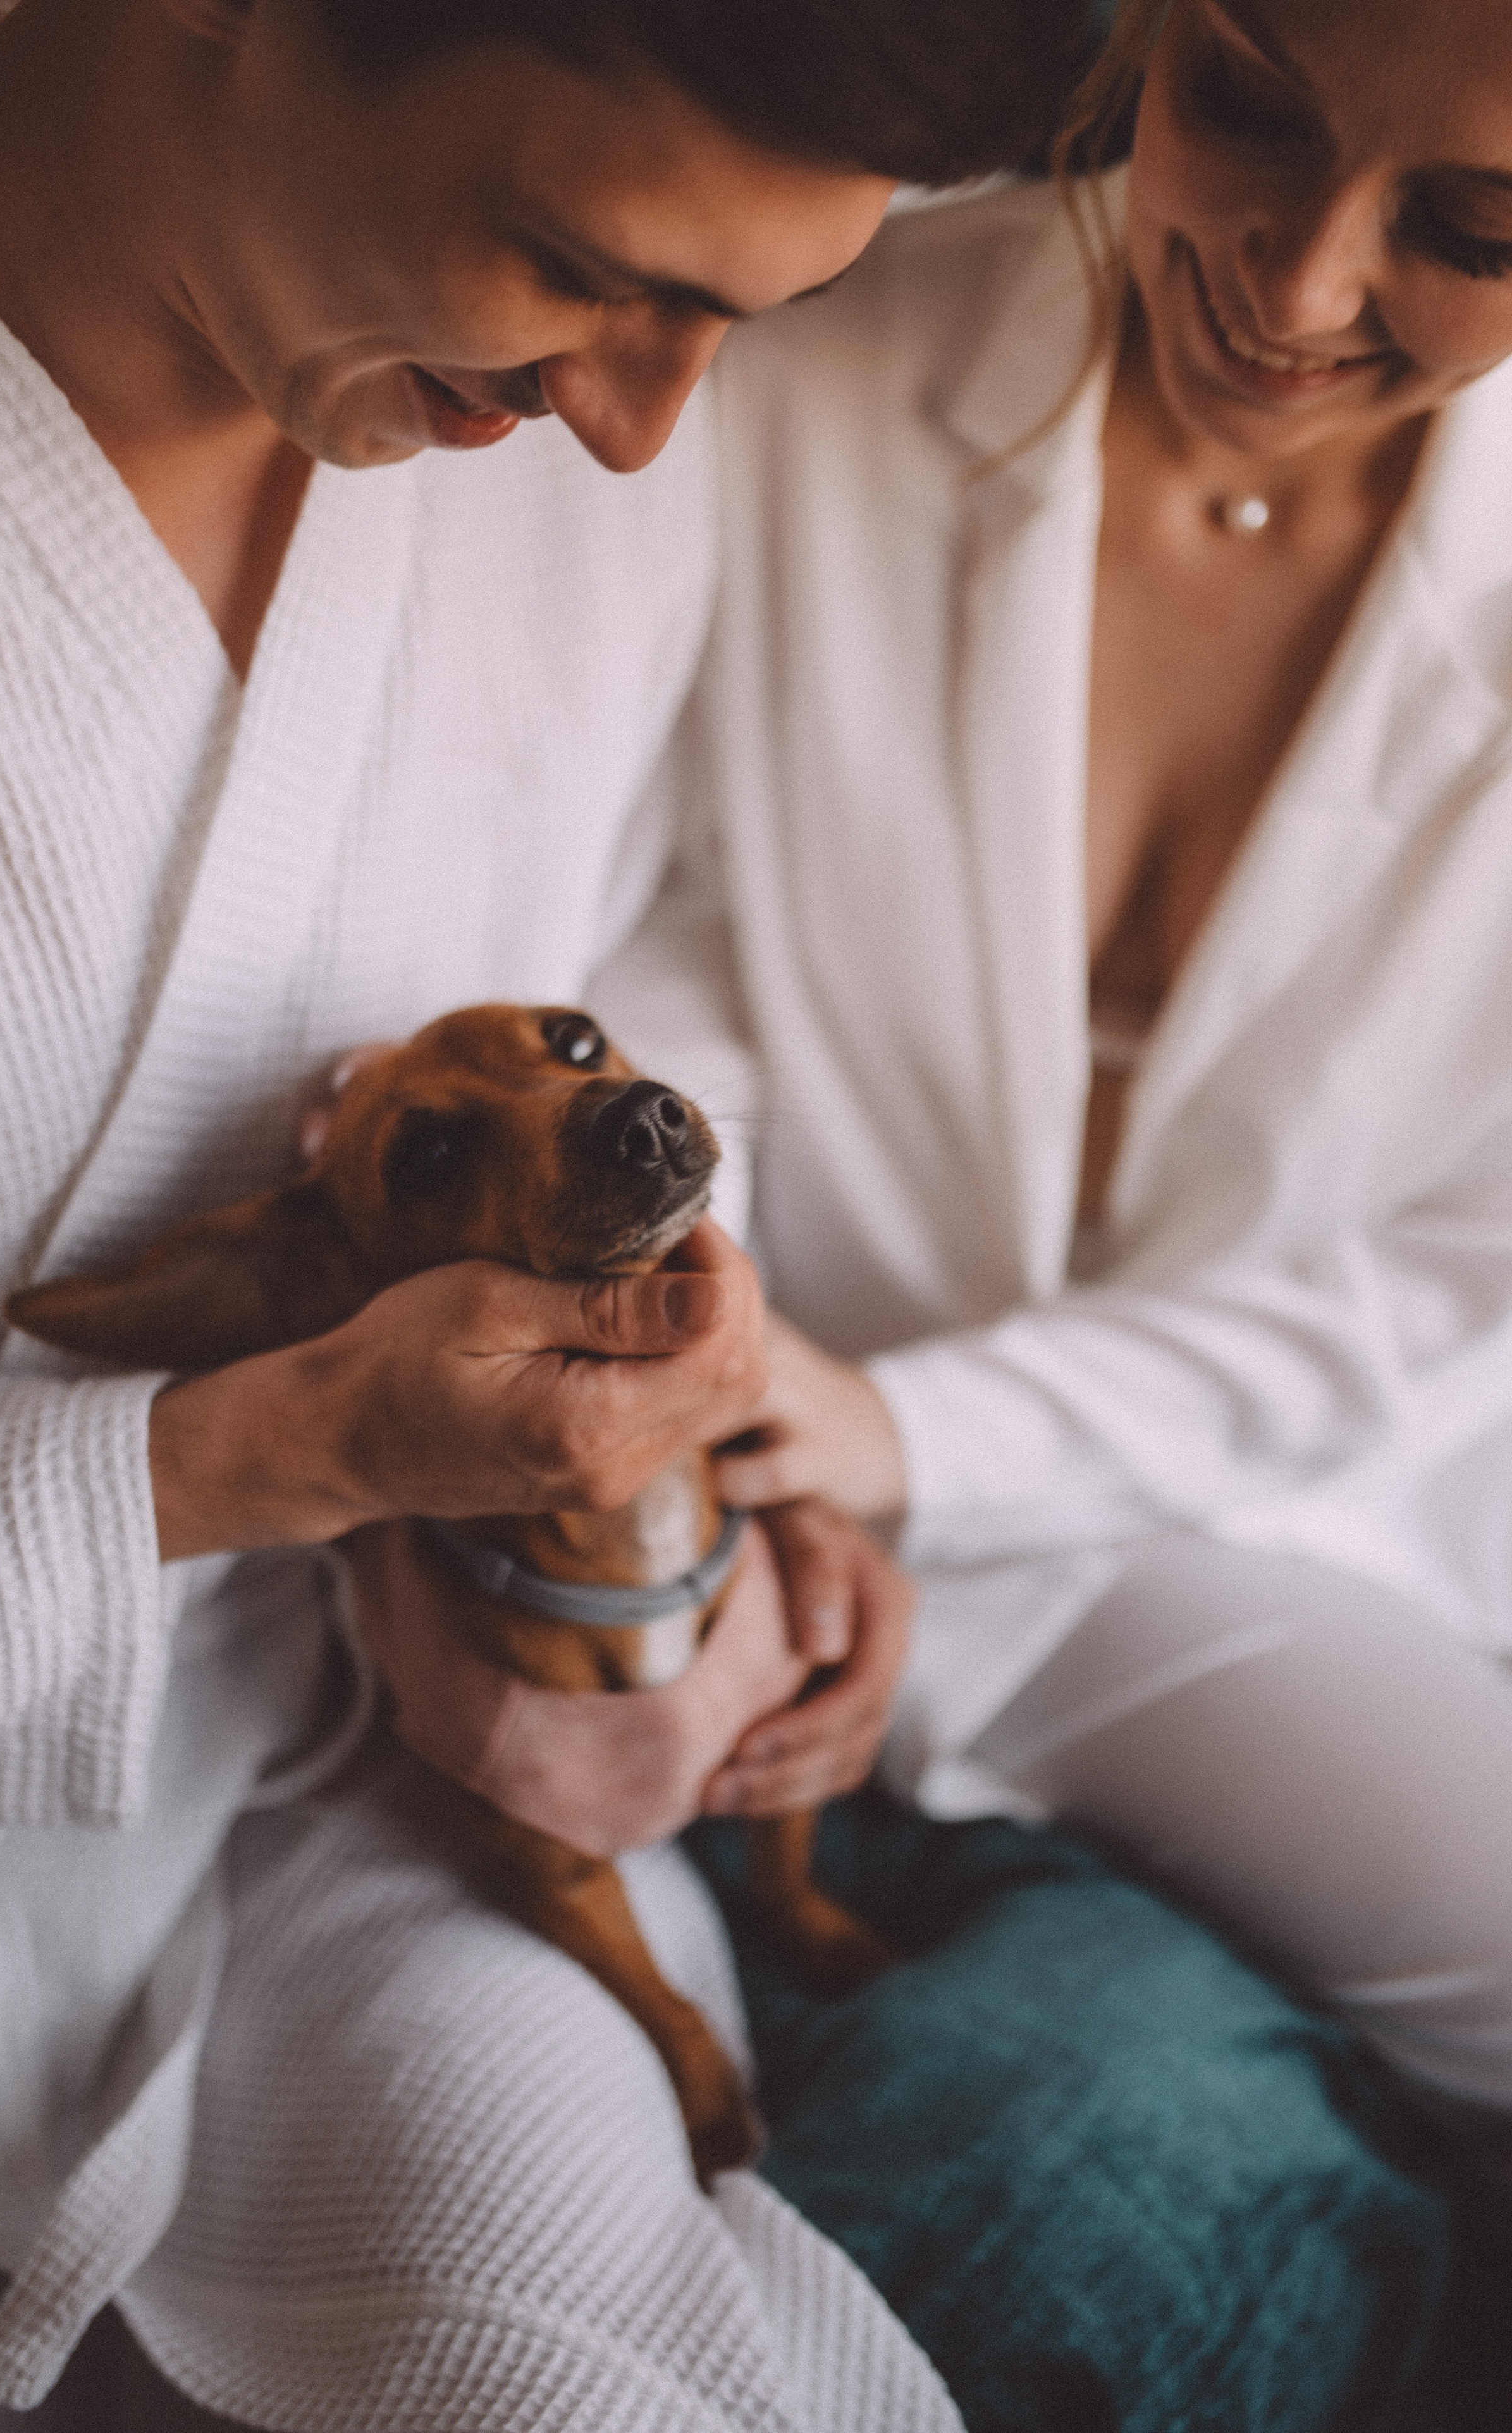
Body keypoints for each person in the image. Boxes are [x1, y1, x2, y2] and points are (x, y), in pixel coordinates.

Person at [0, 1, 1095, 2426]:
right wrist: (270, 1450)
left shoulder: (572, 444)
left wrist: (719, 1430)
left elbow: (618, 984)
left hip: (409, 1758)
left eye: (743, 323)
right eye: (579, 261)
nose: (649, 427)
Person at [581, 0, 1512, 2413]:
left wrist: (910, 1436)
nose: (1293, 290)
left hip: (1255, 1520)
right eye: (1250, 107)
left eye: (1476, 225)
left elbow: (1459, 1269)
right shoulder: (792, 356)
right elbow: (660, 966)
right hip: (749, 1441)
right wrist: (717, 1387)